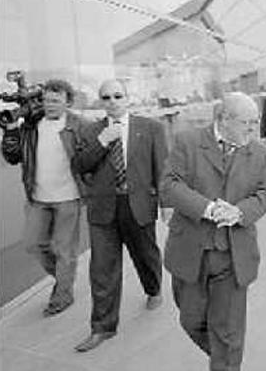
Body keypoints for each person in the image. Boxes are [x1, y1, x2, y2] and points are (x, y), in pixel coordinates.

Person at [161, 92, 266, 371]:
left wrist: (239, 212)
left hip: (233, 256)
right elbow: (169, 185)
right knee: (191, 321)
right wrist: (208, 208)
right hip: (190, 252)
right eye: (247, 122)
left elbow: (265, 192)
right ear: (223, 119)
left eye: (255, 122)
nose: (253, 129)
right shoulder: (188, 142)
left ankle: (226, 362)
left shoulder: (259, 151)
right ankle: (224, 358)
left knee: (228, 332)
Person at [72, 79, 168, 352]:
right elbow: (79, 165)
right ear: (101, 102)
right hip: (103, 209)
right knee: (102, 270)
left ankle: (153, 289)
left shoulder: (151, 128)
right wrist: (102, 143)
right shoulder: (91, 131)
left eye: (117, 96)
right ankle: (102, 328)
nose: (112, 101)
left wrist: (167, 204)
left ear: (127, 98)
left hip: (138, 205)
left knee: (146, 255)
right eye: (106, 97)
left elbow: (162, 167)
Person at [0, 78, 87, 317]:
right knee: (33, 244)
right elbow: (13, 157)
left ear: (67, 102)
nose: (49, 105)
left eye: (55, 100)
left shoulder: (79, 125)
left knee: (63, 250)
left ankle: (62, 296)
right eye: (46, 100)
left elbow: (93, 157)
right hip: (38, 198)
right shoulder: (30, 126)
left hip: (69, 198)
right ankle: (63, 279)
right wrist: (9, 132)